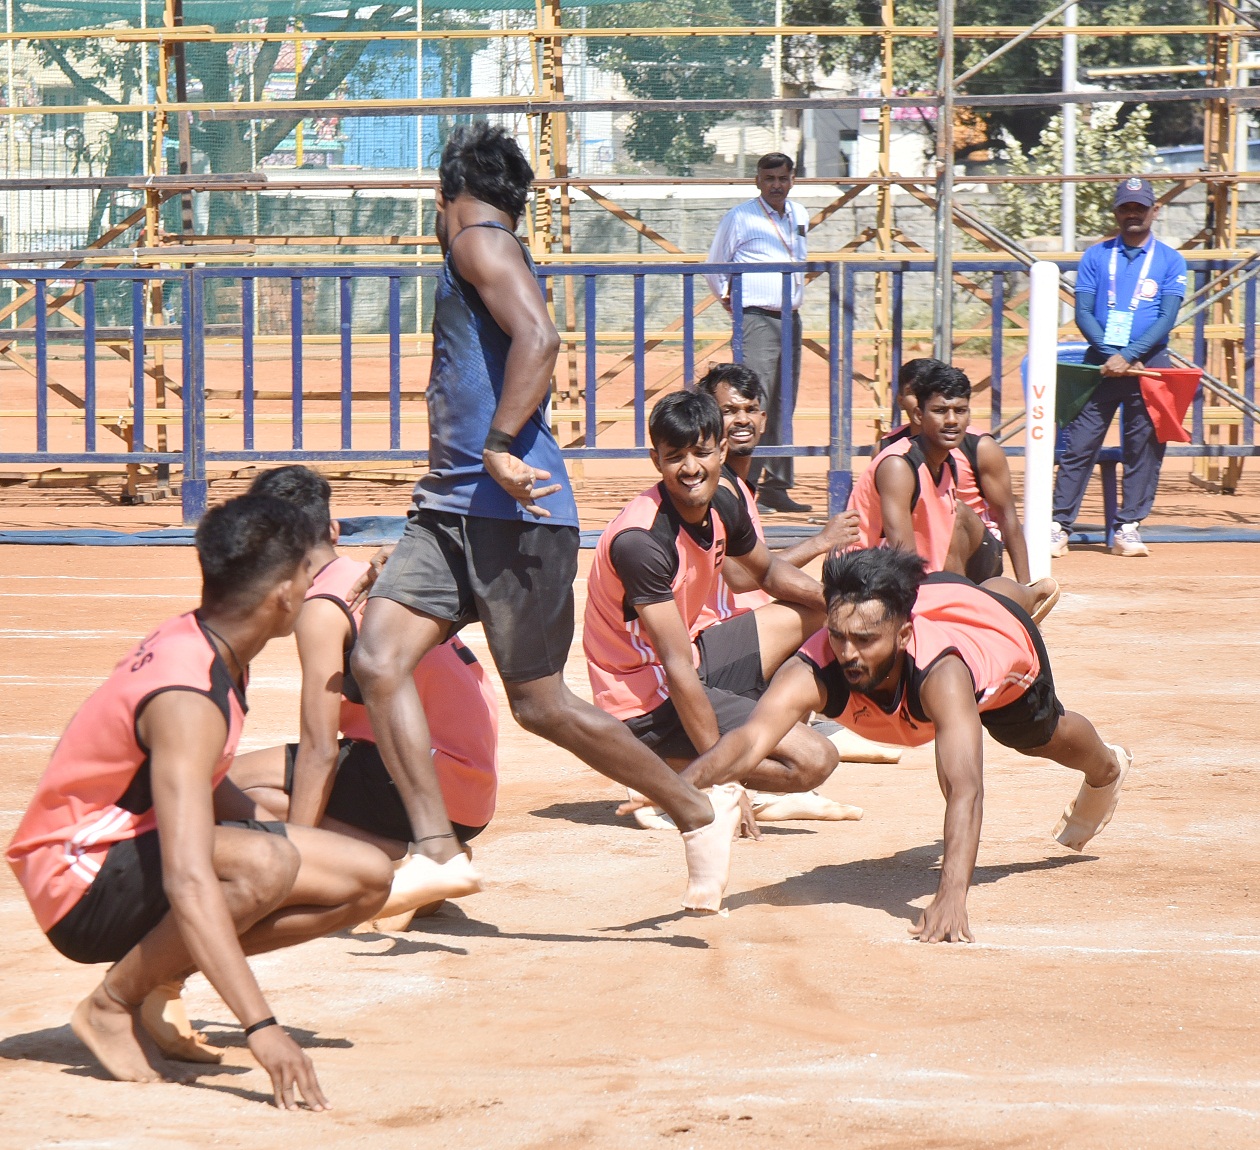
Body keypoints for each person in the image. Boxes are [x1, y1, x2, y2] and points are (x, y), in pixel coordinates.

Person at [348, 122, 745, 918]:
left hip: (514, 512)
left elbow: (541, 335)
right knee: (377, 658)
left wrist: (497, 445)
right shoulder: (482, 245)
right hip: (449, 507)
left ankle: (699, 809)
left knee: (541, 704)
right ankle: (434, 852)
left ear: (447, 193)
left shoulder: (477, 239)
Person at [5, 495, 391, 1104]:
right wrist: (261, 1028)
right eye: (312, 573)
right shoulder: (188, 694)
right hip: (79, 883)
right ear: (284, 596)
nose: (321, 586)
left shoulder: (214, 640)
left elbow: (211, 789)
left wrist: (288, 832)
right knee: (265, 865)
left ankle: (150, 973)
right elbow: (188, 877)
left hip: (125, 850)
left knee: (365, 875)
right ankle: (112, 1002)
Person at [682, 548, 1133, 943]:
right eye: (838, 635)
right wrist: (685, 780)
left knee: (1038, 738)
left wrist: (951, 897)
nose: (848, 653)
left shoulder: (944, 674)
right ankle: (1008, 593)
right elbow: (751, 738)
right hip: (938, 594)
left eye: (864, 641)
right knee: (961, 595)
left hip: (996, 643)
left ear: (902, 637)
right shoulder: (818, 662)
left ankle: (1107, 767)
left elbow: (964, 790)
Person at [228, 466, 498, 931]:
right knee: (263, 795)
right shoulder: (380, 578)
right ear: (333, 530)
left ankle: (391, 864)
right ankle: (412, 859)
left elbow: (319, 750)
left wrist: (300, 867)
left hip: (423, 781)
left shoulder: (322, 607)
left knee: (225, 787)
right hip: (468, 793)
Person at [584, 390, 846, 833]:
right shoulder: (641, 543)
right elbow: (676, 668)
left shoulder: (722, 500)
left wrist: (848, 610)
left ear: (722, 449)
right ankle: (684, 779)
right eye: (675, 457)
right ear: (656, 459)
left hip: (693, 663)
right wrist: (723, 779)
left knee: (819, 615)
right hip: (645, 701)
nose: (690, 469)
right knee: (814, 761)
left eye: (702, 452)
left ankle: (701, 762)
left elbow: (769, 574)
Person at [1051, 177, 1188, 559]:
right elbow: (1082, 311)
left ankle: (1128, 527)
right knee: (1079, 442)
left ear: (1154, 211)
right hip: (1102, 361)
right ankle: (1059, 525)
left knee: (1145, 444)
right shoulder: (1096, 256)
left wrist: (1129, 355)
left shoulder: (1170, 260)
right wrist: (1112, 353)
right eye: (1126, 207)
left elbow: (1167, 317)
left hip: (1149, 362)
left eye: (1140, 207)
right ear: (1116, 211)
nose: (1133, 214)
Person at [705, 153, 812, 514]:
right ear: (757, 180)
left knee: (785, 401)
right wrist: (727, 300)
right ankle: (744, 484)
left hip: (790, 317)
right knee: (754, 401)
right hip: (755, 318)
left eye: (782, 178)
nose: (776, 185)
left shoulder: (800, 214)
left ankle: (777, 486)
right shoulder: (740, 217)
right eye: (769, 179)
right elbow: (715, 264)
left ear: (792, 179)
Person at [885, 358, 1032, 584]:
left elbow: (1007, 516)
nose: (951, 419)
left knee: (952, 512)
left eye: (959, 410)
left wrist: (1026, 588)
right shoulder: (889, 452)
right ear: (905, 403)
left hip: (977, 549)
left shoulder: (980, 447)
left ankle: (954, 600)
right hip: (918, 547)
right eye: (912, 392)